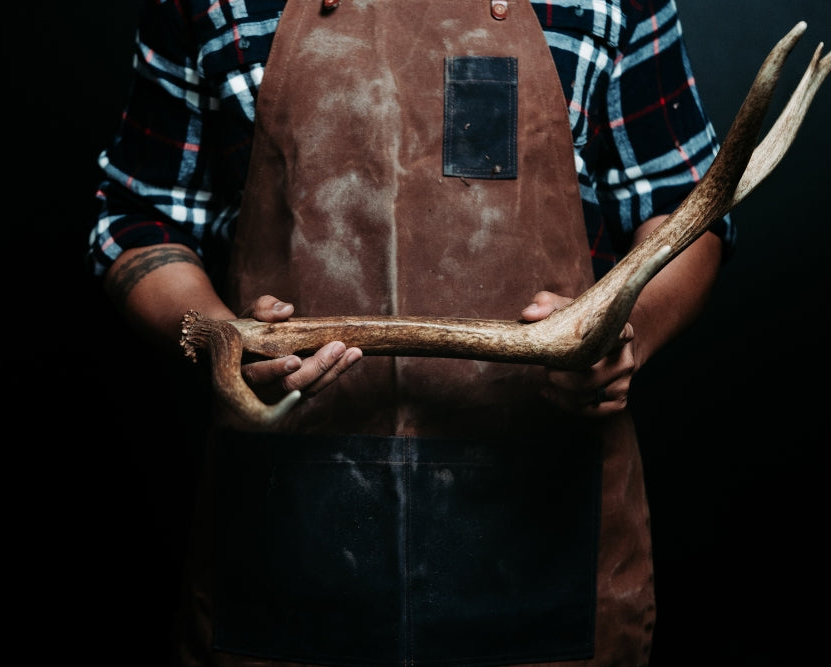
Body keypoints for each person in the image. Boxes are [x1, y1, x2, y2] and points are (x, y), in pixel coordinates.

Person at [88, 1, 734, 665]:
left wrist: (621, 332)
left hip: (544, 538)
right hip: (289, 539)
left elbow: (686, 212)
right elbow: (140, 219)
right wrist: (220, 338)